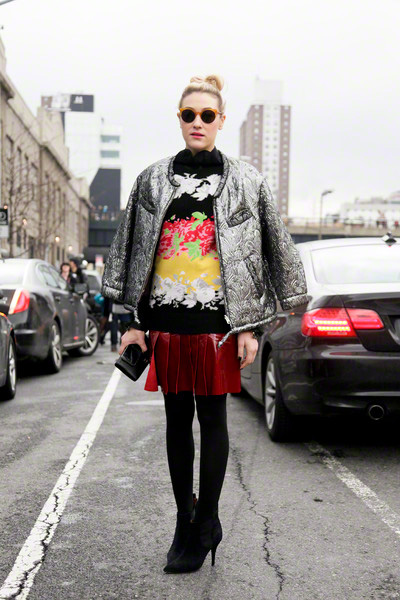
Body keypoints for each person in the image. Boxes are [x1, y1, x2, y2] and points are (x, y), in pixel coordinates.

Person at [102, 74, 308, 574]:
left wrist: (252, 327)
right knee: (176, 422)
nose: (198, 122)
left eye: (207, 115)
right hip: (165, 323)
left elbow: (272, 249)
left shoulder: (248, 181)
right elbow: (130, 249)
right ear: (179, 119)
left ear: (220, 120)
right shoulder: (151, 179)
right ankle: (184, 518)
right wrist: (132, 321)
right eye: (189, 114)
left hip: (218, 325)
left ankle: (209, 520)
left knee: (213, 419)